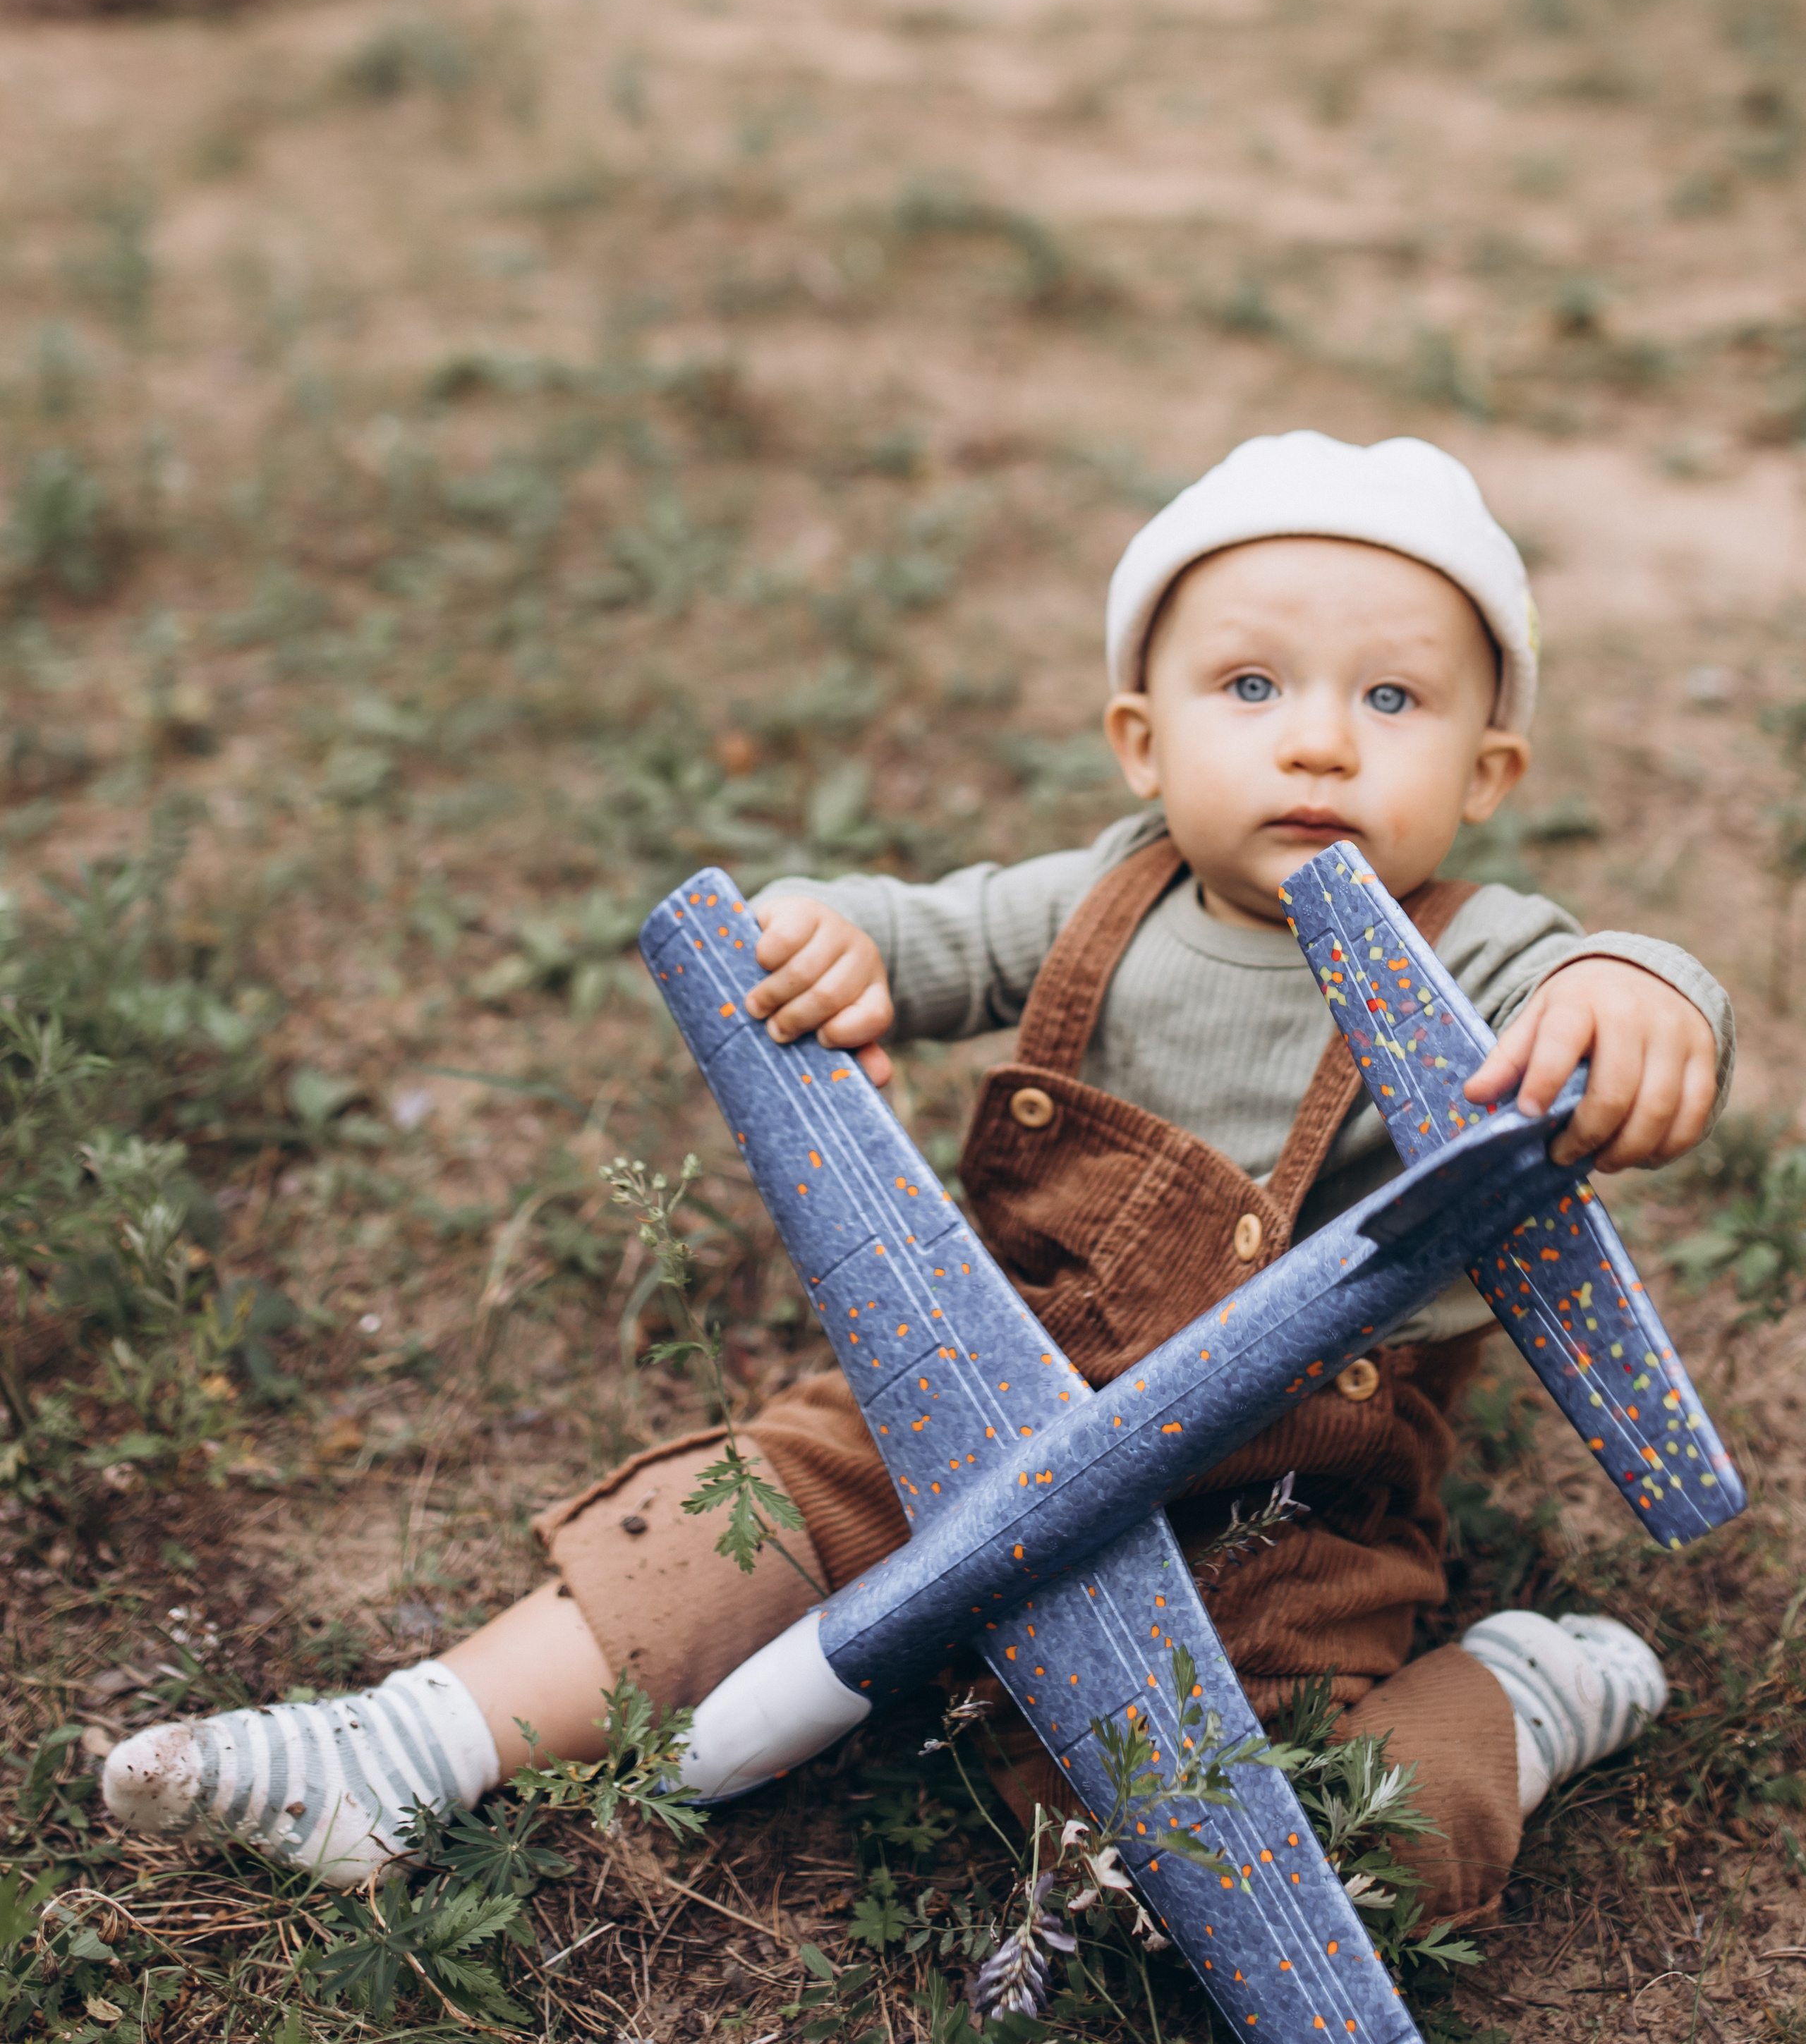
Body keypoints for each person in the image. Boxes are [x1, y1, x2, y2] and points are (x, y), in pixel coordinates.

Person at [104, 432, 1731, 1923]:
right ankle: (409, 1746)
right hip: (984, 1389)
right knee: (736, 1523)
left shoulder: (1482, 955)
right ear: (1139, 742)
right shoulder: (1110, 900)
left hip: (1283, 1499)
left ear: (1487, 773)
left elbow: (1612, 973)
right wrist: (833, 938)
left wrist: (1641, 1001)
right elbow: (918, 933)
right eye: (1250, 687)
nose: (1316, 738)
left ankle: (1507, 1706)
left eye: (1390, 701)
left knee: (1307, 1845)